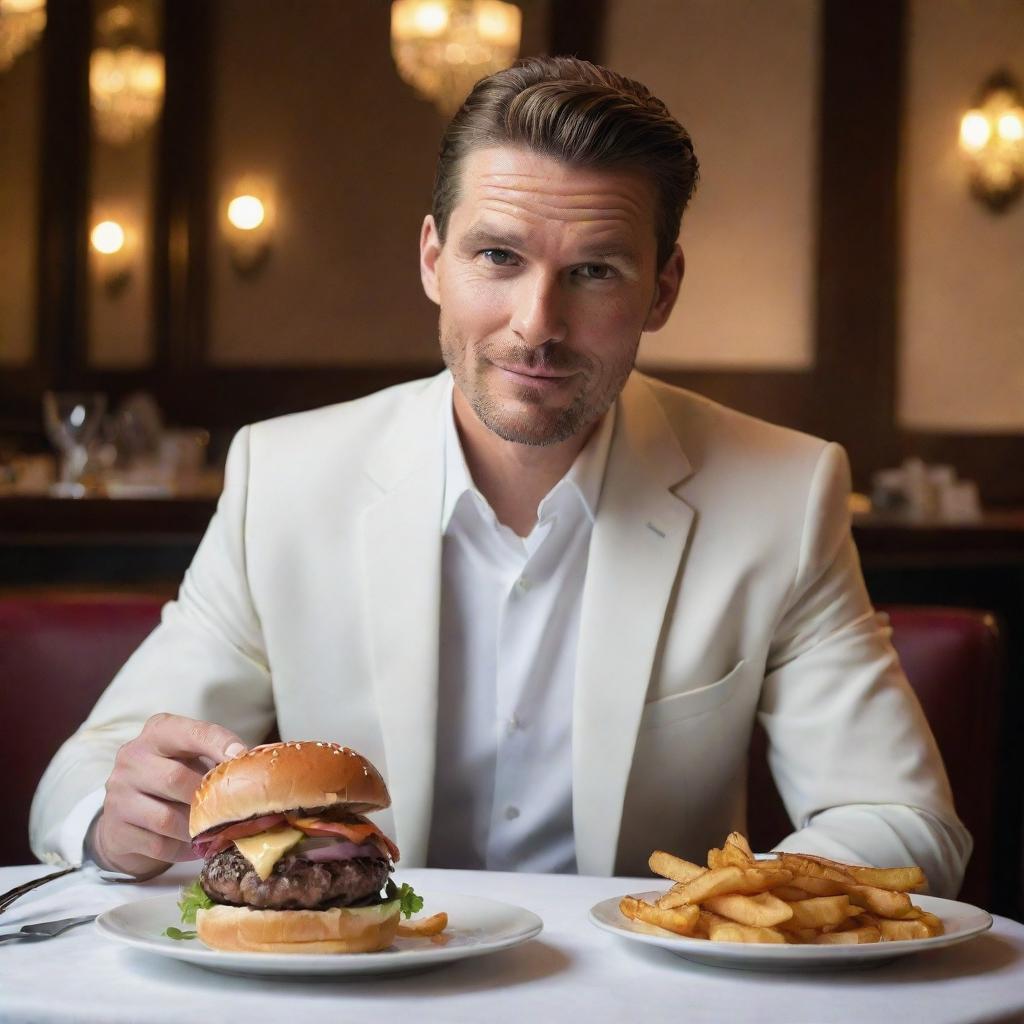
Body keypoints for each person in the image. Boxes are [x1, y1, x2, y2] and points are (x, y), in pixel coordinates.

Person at [30, 56, 970, 894]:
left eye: (596, 271)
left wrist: (713, 917)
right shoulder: (283, 476)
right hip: (352, 994)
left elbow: (903, 822)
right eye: (498, 256)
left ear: (664, 289)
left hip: (643, 1005)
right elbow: (81, 782)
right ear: (434, 258)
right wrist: (119, 823)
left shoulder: (784, 494)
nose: (537, 323)